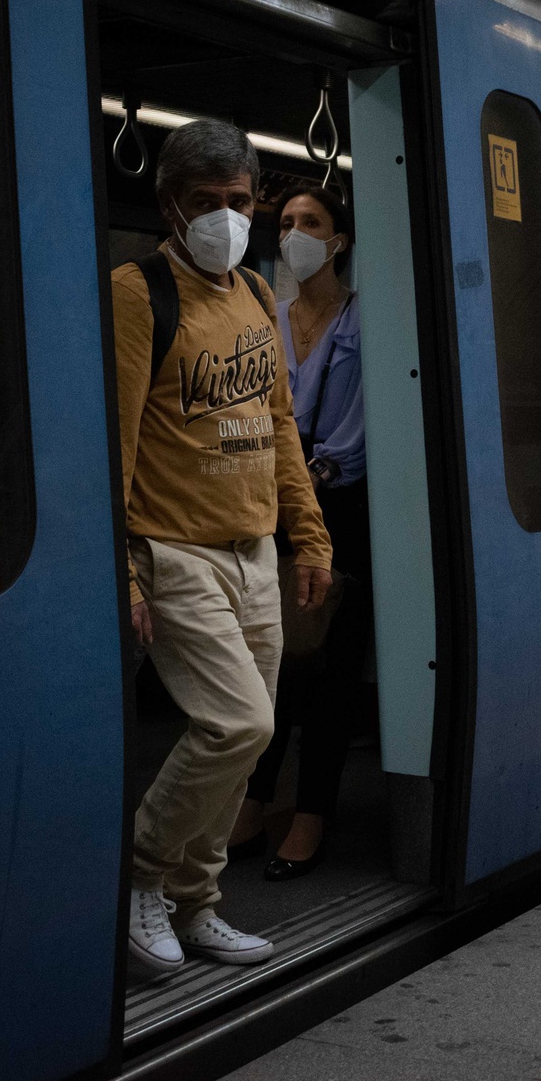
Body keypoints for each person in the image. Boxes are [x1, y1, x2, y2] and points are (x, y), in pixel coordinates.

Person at [115, 121, 334, 978]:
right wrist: (124, 568)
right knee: (236, 721)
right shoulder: (138, 293)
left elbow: (279, 423)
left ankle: (197, 902)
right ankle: (141, 876)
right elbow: (119, 439)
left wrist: (307, 536)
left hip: (253, 553)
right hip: (177, 551)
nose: (225, 218)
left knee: (247, 737)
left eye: (239, 202)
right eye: (205, 203)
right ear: (171, 204)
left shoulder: (251, 291)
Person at [230, 182, 370, 882]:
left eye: (310, 222)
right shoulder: (270, 317)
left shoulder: (365, 322)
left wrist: (310, 471)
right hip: (273, 509)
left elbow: (362, 429)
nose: (294, 233)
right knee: (269, 659)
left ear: (338, 239)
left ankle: (311, 811)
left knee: (329, 670)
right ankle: (255, 800)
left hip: (340, 508)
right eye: (285, 222)